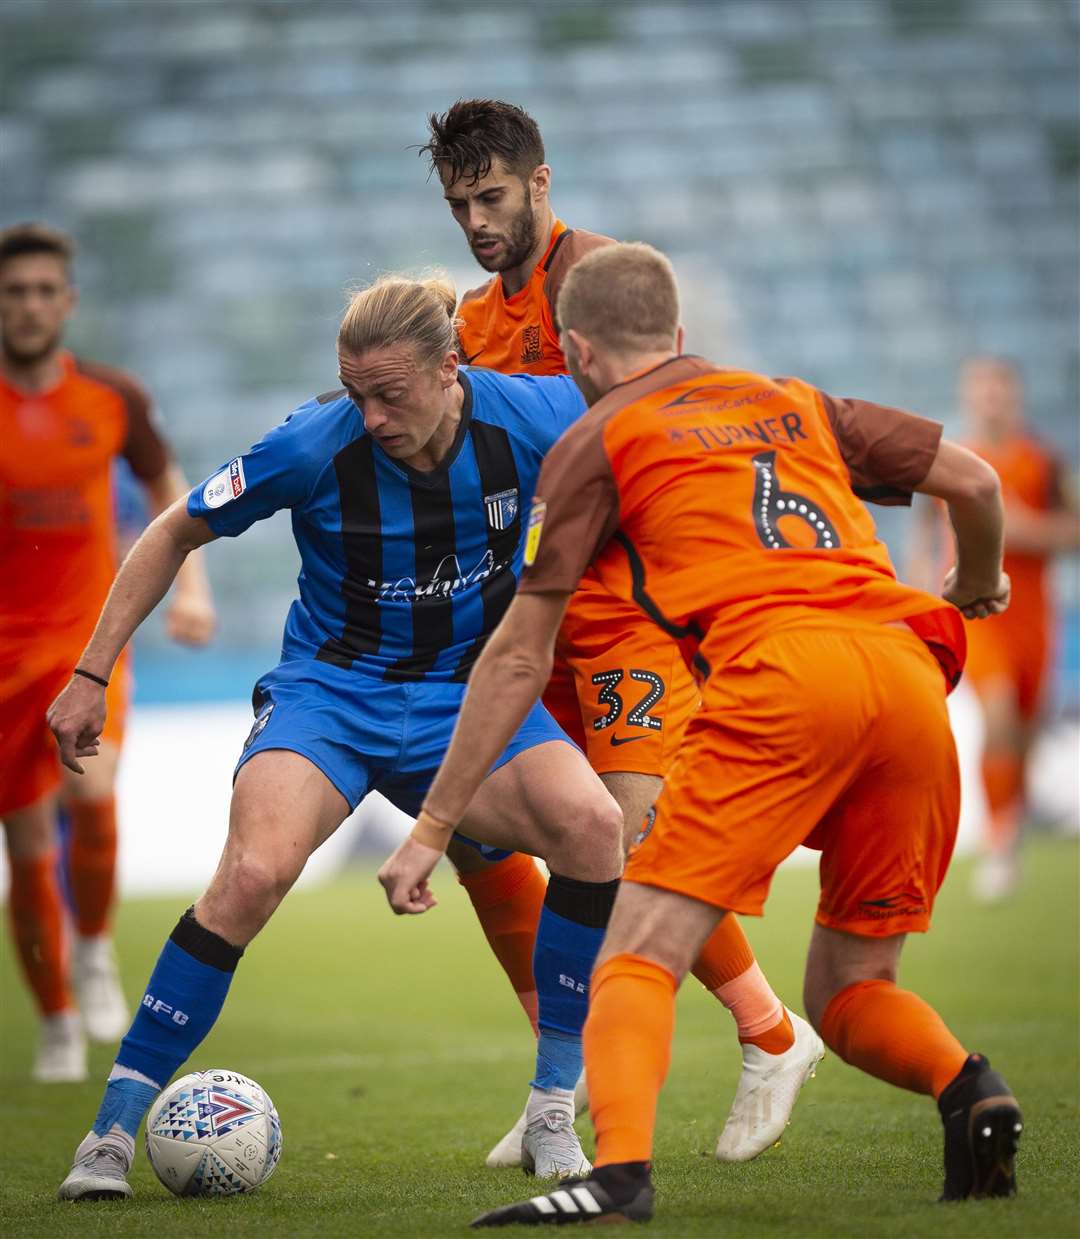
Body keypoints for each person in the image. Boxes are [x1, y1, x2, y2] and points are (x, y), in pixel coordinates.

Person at [378, 243, 1022, 1226]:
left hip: (781, 676)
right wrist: (976, 582)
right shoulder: (797, 399)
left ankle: (620, 1175)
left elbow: (517, 655)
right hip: (906, 674)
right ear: (679, 336)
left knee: (635, 945)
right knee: (851, 990)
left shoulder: (595, 440)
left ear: (578, 349)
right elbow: (974, 481)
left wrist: (431, 826)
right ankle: (969, 1090)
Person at [51, 274, 627, 1200]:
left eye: (388, 394)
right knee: (249, 875)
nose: (367, 416)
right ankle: (113, 1129)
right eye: (354, 392)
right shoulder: (312, 442)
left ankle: (554, 1111)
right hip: (332, 694)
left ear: (451, 368)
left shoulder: (542, 413)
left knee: (596, 829)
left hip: (466, 702)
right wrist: (91, 671)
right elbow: (172, 530)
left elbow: (653, 446)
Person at [421, 98, 820, 1167]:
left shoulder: (597, 282)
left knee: (638, 847)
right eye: (460, 202)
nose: (476, 219)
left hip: (625, 617)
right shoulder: (471, 314)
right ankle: (566, 1078)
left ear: (541, 185)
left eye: (493, 196)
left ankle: (772, 1034)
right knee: (482, 831)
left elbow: (643, 414)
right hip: (535, 615)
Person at [0, 222, 215, 1083]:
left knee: (92, 792)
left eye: (45, 290)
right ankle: (55, 1019)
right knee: (24, 847)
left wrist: (191, 587)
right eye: (15, 291)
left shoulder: (112, 397)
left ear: (69, 301)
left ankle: (93, 949)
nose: (29, 305)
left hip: (87, 641)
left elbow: (169, 487)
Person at [908, 357, 1079, 900]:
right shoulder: (953, 461)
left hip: (1034, 616)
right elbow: (926, 531)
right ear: (969, 397)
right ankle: (1000, 846)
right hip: (975, 612)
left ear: (1015, 397)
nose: (991, 400)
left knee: (1026, 733)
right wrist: (917, 595)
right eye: (981, 391)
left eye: (1000, 391)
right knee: (999, 715)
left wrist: (1022, 530)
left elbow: (1071, 531)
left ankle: (1011, 827)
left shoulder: (1044, 463)